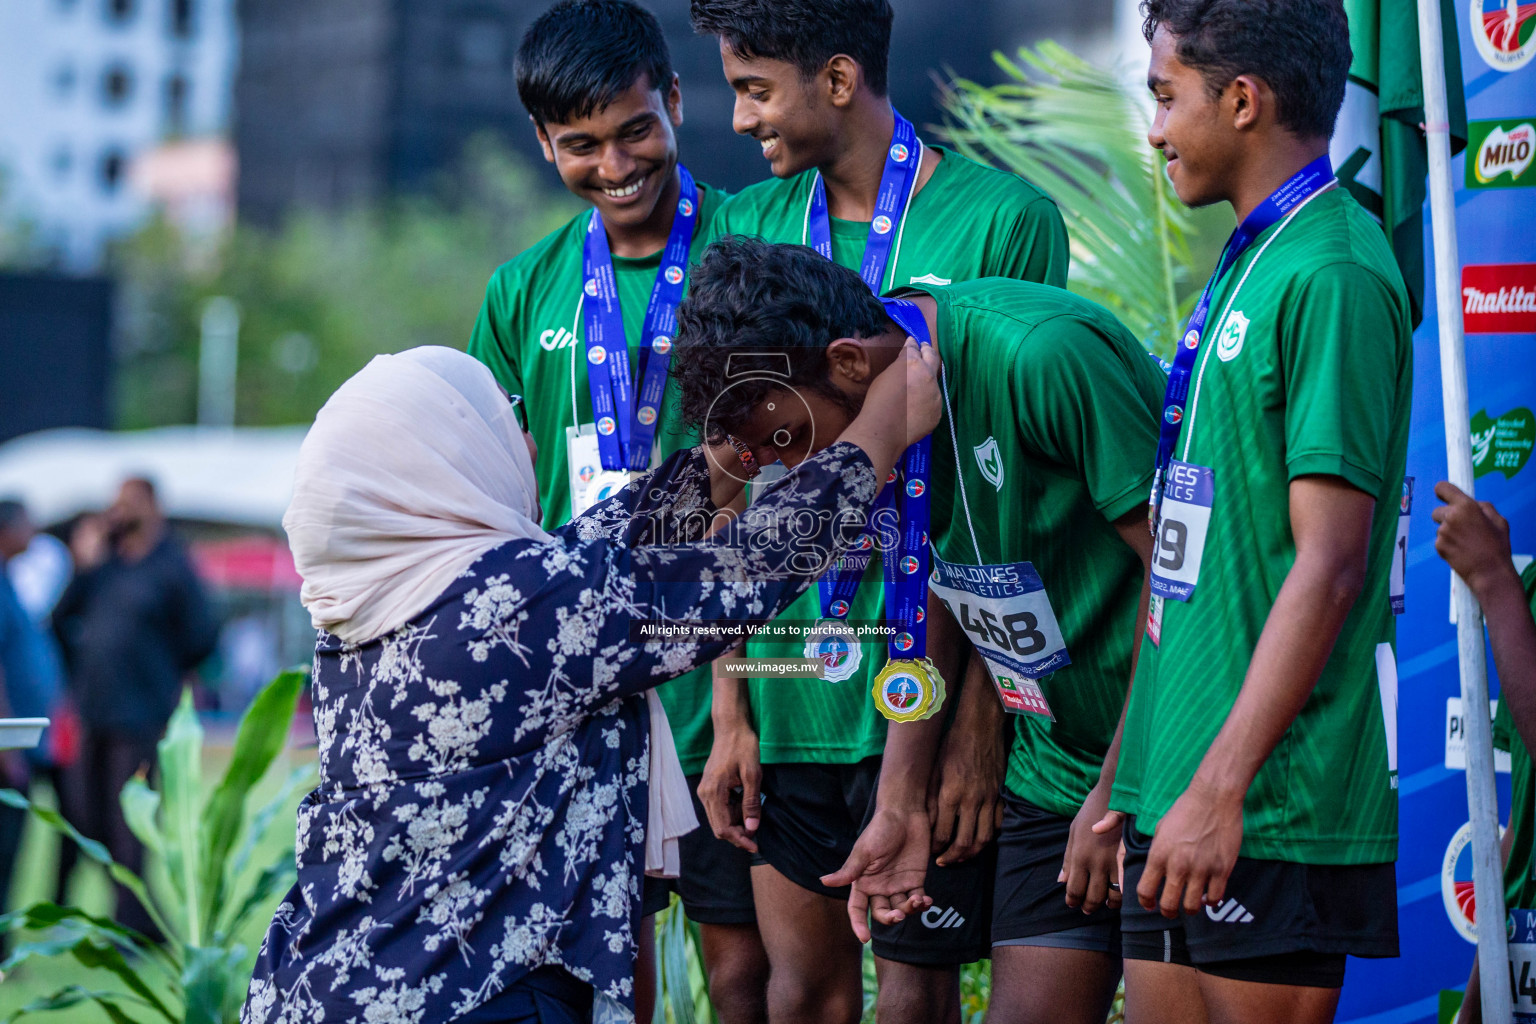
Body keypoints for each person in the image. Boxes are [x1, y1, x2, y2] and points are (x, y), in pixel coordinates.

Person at [240, 344, 941, 1024]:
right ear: (441, 462)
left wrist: (746, 446)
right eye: (501, 416)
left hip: (333, 985)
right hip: (468, 994)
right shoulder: (510, 606)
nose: (525, 432)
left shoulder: (377, 610)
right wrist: (884, 425)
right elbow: (741, 572)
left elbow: (606, 543)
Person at [687, 2, 1069, 1019]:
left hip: (926, 697)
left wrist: (981, 727)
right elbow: (724, 480)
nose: (736, 119)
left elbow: (1006, 502)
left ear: (840, 80)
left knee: (915, 997)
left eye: (755, 88)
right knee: (800, 993)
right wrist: (731, 708)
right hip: (785, 692)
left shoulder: (1004, 220)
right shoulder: (745, 225)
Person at [672, 237, 1166, 1024]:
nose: (789, 472)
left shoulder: (1042, 354)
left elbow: (1177, 584)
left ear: (847, 362)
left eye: (789, 442)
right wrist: (899, 803)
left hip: (1161, 755)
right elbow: (936, 578)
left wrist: (1122, 787)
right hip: (1055, 764)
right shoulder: (893, 379)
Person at [1099, 2, 1412, 1022]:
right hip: (1169, 790)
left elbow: (1330, 567)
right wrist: (1124, 779)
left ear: (1242, 100)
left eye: (1164, 96)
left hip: (1266, 807)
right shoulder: (1251, 257)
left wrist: (1220, 788)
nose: (1153, 129)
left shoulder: (1334, 269)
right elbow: (1181, 564)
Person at [465, 4, 741, 1016]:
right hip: (577, 692)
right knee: (598, 972)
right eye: (580, 146)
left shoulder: (750, 244)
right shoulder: (522, 290)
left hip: (736, 682)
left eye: (635, 130)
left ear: (673, 101)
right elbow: (496, 500)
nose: (616, 163)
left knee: (756, 978)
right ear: (543, 145)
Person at [51, 478, 219, 934]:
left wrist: (161, 673)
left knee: (131, 828)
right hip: (94, 712)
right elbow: (60, 617)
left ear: (151, 505)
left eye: (128, 502)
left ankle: (129, 929)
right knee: (86, 816)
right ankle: (144, 921)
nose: (118, 510)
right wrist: (84, 562)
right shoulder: (107, 564)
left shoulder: (171, 565)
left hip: (141, 716)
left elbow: (203, 635)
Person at [1433, 486, 1536, 1024]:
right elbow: (1526, 814)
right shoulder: (1533, 590)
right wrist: (1475, 1004)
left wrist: (1496, 581)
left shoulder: (1515, 590)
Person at [0, 500, 66, 915]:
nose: (35, 532)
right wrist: (7, 745)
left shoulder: (10, 579)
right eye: (28, 523)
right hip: (7, 747)